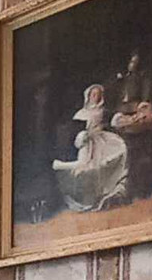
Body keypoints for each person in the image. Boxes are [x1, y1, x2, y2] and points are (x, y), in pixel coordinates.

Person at [52, 83, 129, 213]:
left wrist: (121, 119)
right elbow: (73, 131)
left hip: (101, 140)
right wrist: (80, 136)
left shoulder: (103, 111)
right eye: (93, 94)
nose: (95, 97)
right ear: (88, 96)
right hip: (85, 141)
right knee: (84, 164)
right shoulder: (80, 113)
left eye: (98, 95)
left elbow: (113, 119)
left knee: (112, 155)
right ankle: (63, 166)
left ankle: (106, 192)